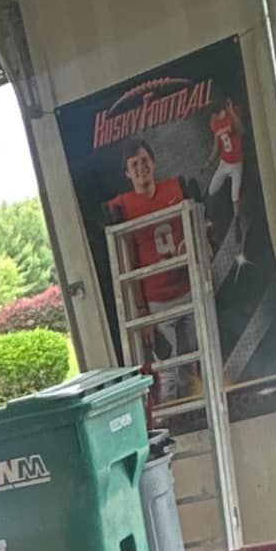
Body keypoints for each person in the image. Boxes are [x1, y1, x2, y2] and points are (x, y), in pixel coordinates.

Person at [103, 140, 194, 403]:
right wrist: (141, 309)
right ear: (127, 173)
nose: (141, 167)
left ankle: (194, 419)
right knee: (166, 370)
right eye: (134, 164)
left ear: (153, 162)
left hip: (187, 288)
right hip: (156, 300)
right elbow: (126, 258)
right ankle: (175, 426)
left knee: (192, 363)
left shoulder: (176, 188)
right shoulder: (122, 207)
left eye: (144, 160)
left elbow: (198, 228)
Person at [207, 95, 245, 233]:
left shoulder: (232, 113)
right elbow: (217, 146)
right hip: (225, 161)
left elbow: (241, 130)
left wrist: (231, 112)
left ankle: (237, 225)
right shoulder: (214, 122)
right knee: (212, 190)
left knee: (235, 197)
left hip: (236, 162)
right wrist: (208, 163)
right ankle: (212, 218)